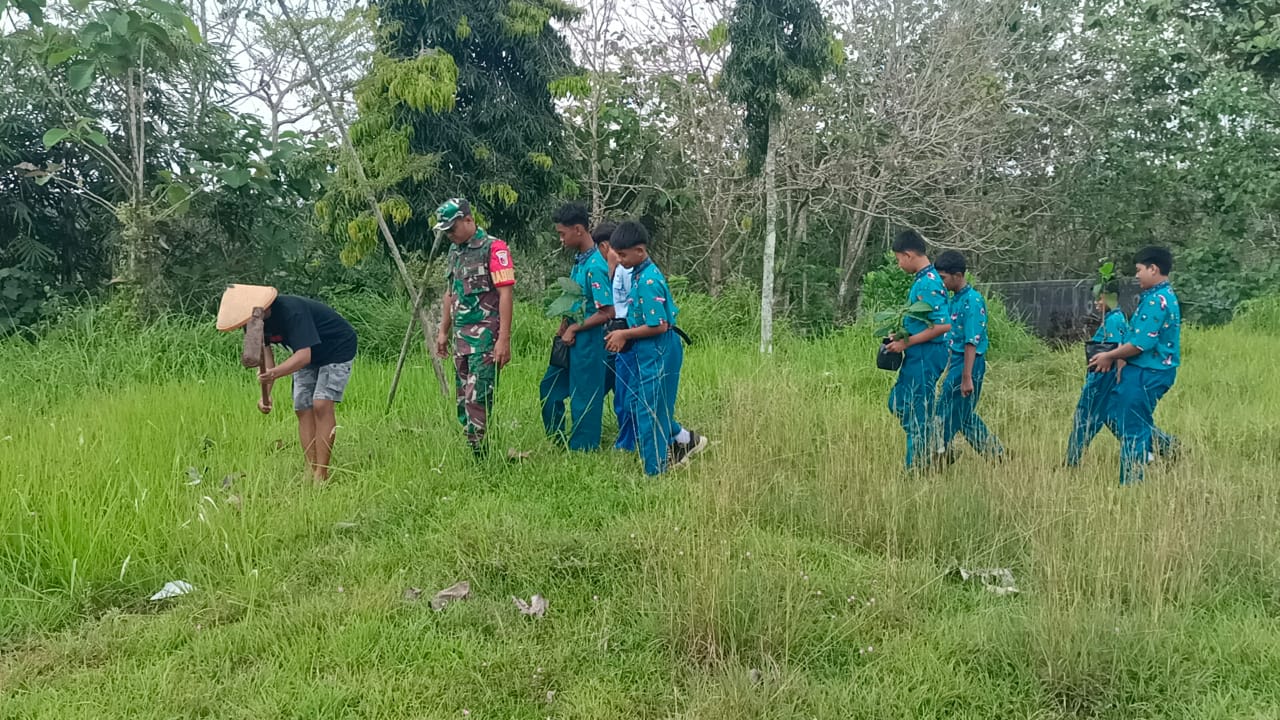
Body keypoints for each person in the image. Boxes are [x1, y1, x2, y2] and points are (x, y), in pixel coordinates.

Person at [216, 284, 357, 482]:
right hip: (308, 353)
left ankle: (321, 474)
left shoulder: (292, 311)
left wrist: (274, 374)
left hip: (337, 348)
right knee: (302, 406)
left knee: (321, 403)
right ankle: (310, 467)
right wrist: (265, 394)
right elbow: (267, 360)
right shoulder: (253, 323)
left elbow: (303, 356)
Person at [604, 221, 708, 475]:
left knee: (650, 410)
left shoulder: (649, 280)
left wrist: (623, 333)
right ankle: (682, 444)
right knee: (642, 405)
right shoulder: (637, 273)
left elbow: (659, 325)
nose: (619, 260)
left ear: (640, 251)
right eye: (617, 255)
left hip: (659, 349)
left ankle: (656, 472)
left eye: (623, 255)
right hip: (645, 350)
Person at [1088, 246, 1181, 485]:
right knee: (1119, 415)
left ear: (1154, 269)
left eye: (1139, 270)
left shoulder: (1157, 301)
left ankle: (1131, 483)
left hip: (1148, 372)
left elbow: (1141, 344)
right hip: (1139, 370)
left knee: (1133, 428)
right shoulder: (1153, 297)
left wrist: (1109, 356)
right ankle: (1166, 446)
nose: (1137, 275)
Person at [432, 198, 515, 457]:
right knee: (462, 398)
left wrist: (504, 339)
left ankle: (480, 455)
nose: (449, 235)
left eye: (452, 229)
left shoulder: (494, 248)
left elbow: (505, 294)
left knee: (477, 396)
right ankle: (474, 449)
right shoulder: (454, 252)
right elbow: (450, 293)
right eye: (444, 232)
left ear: (468, 220)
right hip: (461, 337)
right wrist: (443, 331)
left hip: (486, 336)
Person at [540, 203, 615, 451]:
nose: (560, 239)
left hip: (589, 341)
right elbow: (574, 299)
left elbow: (607, 311)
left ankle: (583, 448)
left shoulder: (595, 266)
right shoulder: (579, 261)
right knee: (550, 389)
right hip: (569, 338)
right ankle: (557, 440)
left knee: (584, 395)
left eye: (563, 233)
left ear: (579, 229)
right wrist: (563, 325)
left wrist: (576, 328)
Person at [883, 230, 951, 471]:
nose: (899, 264)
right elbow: (923, 320)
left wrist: (907, 342)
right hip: (917, 352)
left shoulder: (929, 282)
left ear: (908, 255)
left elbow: (943, 325)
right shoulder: (923, 279)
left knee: (916, 410)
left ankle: (917, 468)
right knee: (899, 402)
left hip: (926, 354)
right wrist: (901, 336)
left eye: (899, 259)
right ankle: (938, 446)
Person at [934, 251, 1004, 462]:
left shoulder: (973, 301)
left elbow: (970, 341)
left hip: (968, 363)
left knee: (953, 413)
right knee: (958, 413)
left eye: (944, 278)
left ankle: (937, 453)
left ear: (957, 275)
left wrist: (967, 377)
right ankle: (995, 453)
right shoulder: (954, 300)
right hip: (955, 362)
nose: (941, 283)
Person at [1065, 282, 1128, 466]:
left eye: (1100, 298)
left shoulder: (1114, 321)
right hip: (1106, 377)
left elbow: (1119, 350)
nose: (1096, 303)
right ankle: (1164, 446)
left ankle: (1071, 462)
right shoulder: (1114, 319)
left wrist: (1118, 379)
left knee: (1085, 416)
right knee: (1115, 419)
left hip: (1103, 378)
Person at [593, 221, 638, 452]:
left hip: (631, 338)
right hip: (619, 338)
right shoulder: (615, 273)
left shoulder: (629, 273)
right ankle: (626, 441)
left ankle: (630, 443)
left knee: (629, 396)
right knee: (621, 395)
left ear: (604, 247)